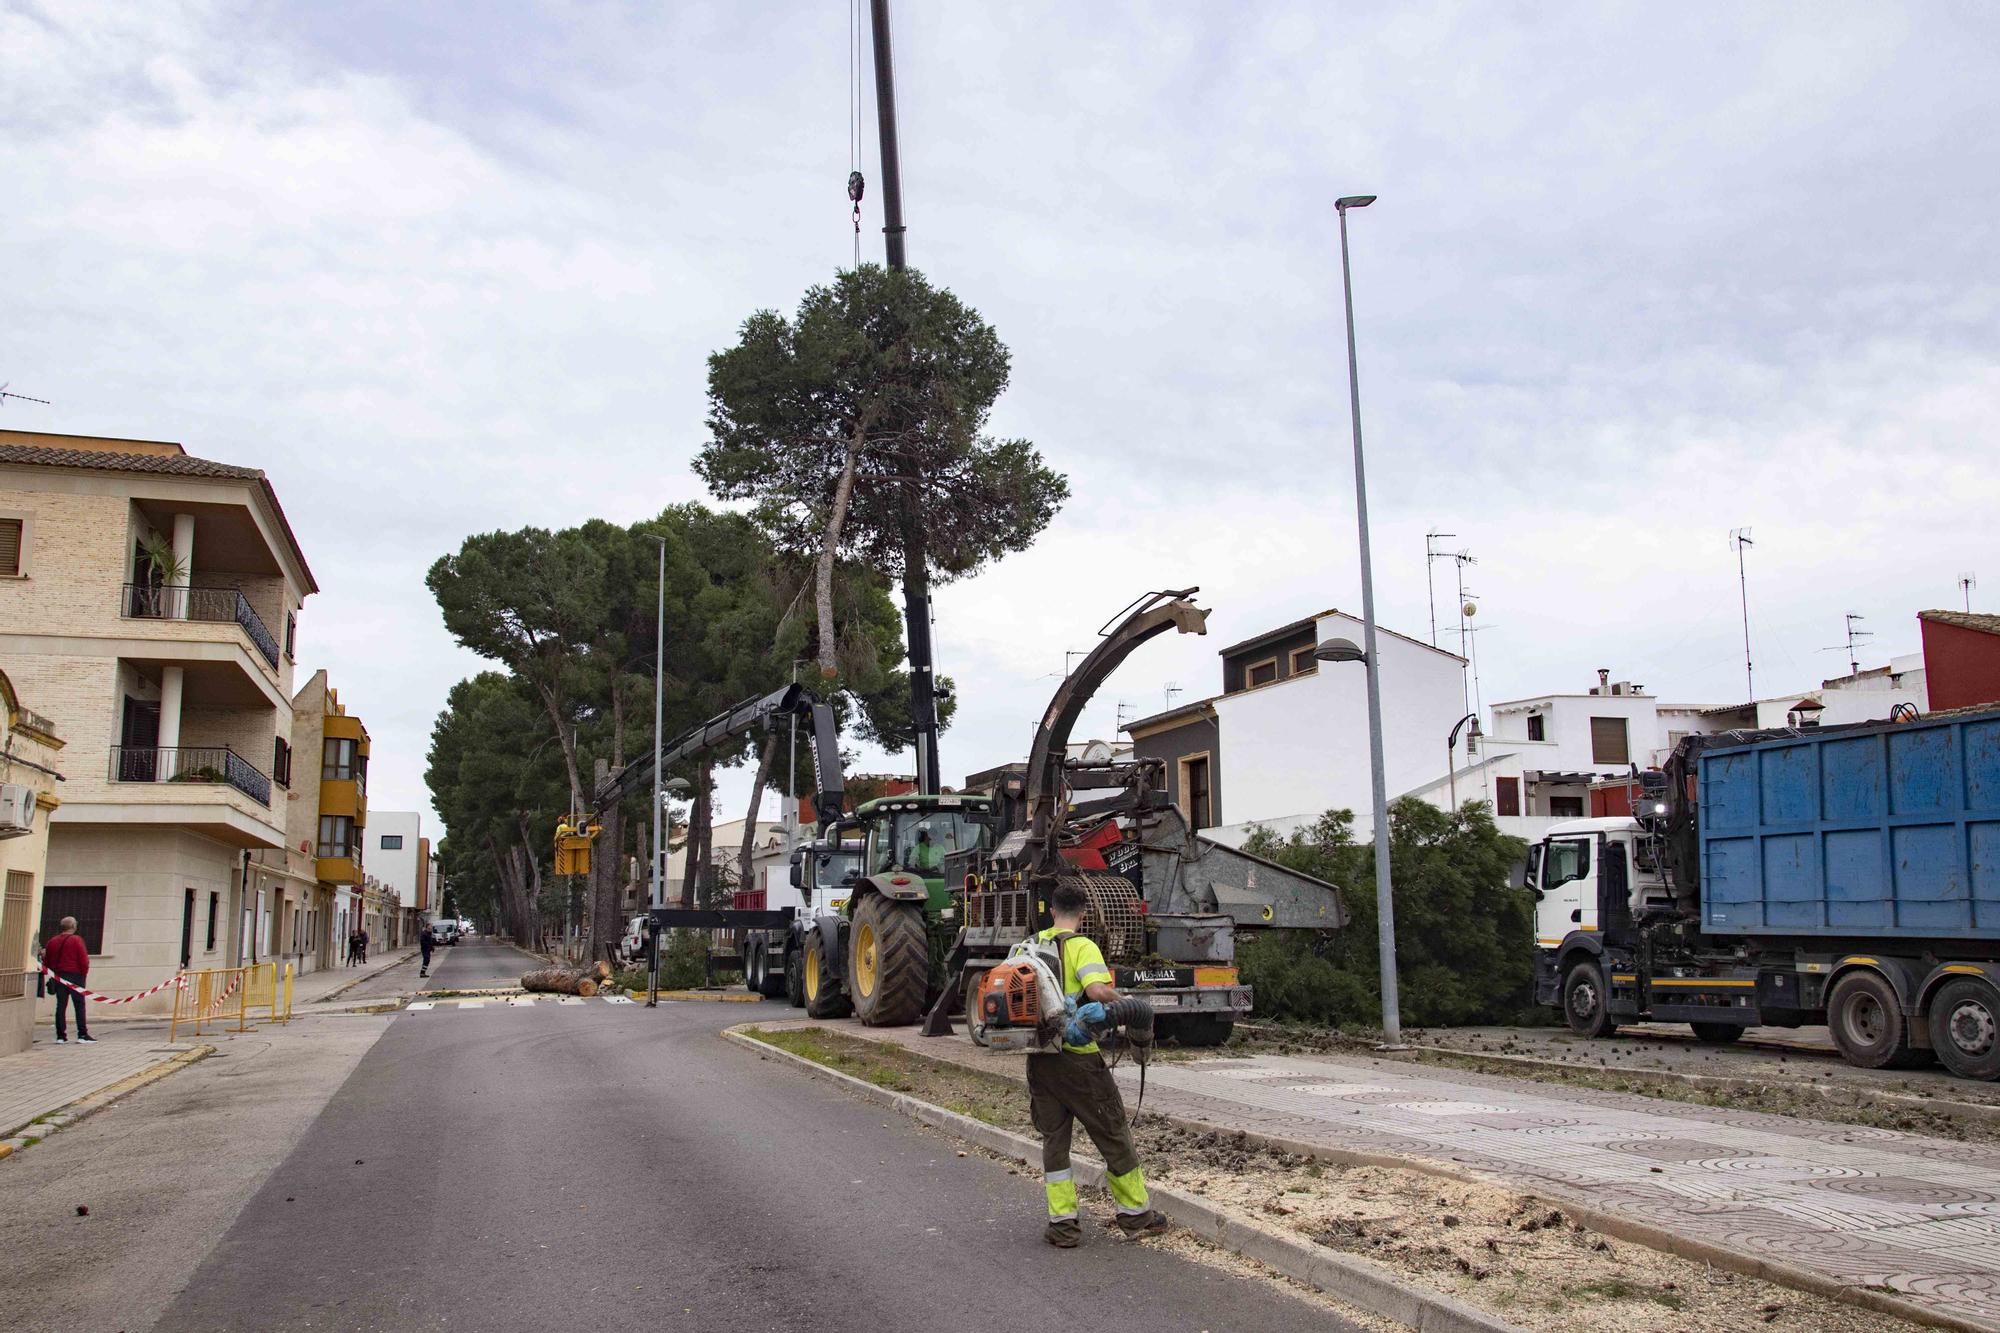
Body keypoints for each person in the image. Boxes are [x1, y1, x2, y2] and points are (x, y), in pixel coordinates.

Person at [1027, 879, 1168, 1247]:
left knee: (1055, 1141)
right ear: (1084, 914)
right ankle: (1136, 1215)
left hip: (1040, 1062)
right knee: (1114, 1133)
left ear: (1053, 911)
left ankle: (1063, 1226)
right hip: (1079, 1063)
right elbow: (1096, 991)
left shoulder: (1029, 945)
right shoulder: (1082, 945)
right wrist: (1130, 1006)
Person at [42, 916, 95, 1045]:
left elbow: (47, 960)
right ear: (73, 926)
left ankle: (61, 1036)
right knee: (79, 1005)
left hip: (59, 976)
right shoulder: (77, 940)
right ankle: (82, 1034)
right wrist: (83, 974)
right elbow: (83, 960)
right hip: (76, 976)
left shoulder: (52, 941)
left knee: (61, 1005)